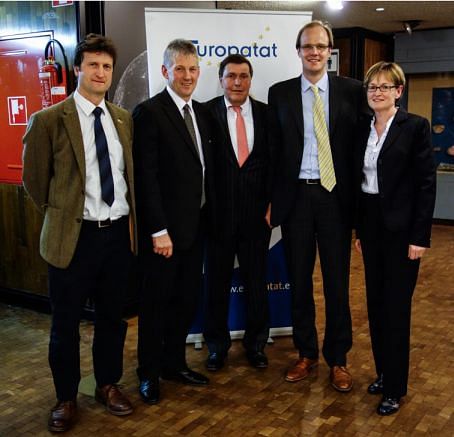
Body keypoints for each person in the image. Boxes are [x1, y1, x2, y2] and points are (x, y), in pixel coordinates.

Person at [22, 34, 137, 432]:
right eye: (93, 65)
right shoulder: (50, 120)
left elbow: (125, 178)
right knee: (65, 324)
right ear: (78, 69)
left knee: (112, 319)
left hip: (117, 237)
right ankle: (66, 397)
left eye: (106, 66)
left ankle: (108, 384)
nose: (101, 72)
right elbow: (35, 183)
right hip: (73, 239)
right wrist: (65, 216)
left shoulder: (123, 119)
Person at [267, 20, 365, 392]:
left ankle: (338, 359)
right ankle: (305, 353)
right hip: (296, 201)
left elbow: (360, 152)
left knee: (337, 284)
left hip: (335, 199)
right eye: (308, 46)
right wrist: (272, 201)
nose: (314, 52)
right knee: (299, 282)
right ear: (298, 51)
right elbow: (274, 153)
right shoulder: (280, 94)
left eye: (321, 46)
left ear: (329, 51)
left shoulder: (352, 92)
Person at [133, 39, 215, 405]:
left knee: (185, 301)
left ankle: (174, 364)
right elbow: (145, 177)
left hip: (195, 229)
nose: (186, 75)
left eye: (192, 69)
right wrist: (158, 230)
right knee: (155, 306)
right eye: (179, 69)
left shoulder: (201, 112)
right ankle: (148, 374)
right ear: (166, 71)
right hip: (164, 235)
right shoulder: (149, 112)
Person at [354, 61, 436, 415]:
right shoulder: (363, 128)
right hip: (371, 228)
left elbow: (425, 185)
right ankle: (384, 373)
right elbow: (361, 185)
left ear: (398, 92)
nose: (378, 92)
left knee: (397, 309)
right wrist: (358, 229)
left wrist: (419, 237)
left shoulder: (415, 126)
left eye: (386, 87)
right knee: (376, 305)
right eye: (373, 86)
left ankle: (396, 387)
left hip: (403, 233)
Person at [203, 55, 271, 371]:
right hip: (217, 218)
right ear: (221, 80)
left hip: (257, 218)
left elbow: (277, 164)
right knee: (215, 284)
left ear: (250, 80)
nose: (238, 82)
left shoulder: (268, 115)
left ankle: (256, 345)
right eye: (231, 76)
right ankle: (217, 346)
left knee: (257, 283)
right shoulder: (204, 114)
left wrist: (274, 206)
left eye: (244, 76)